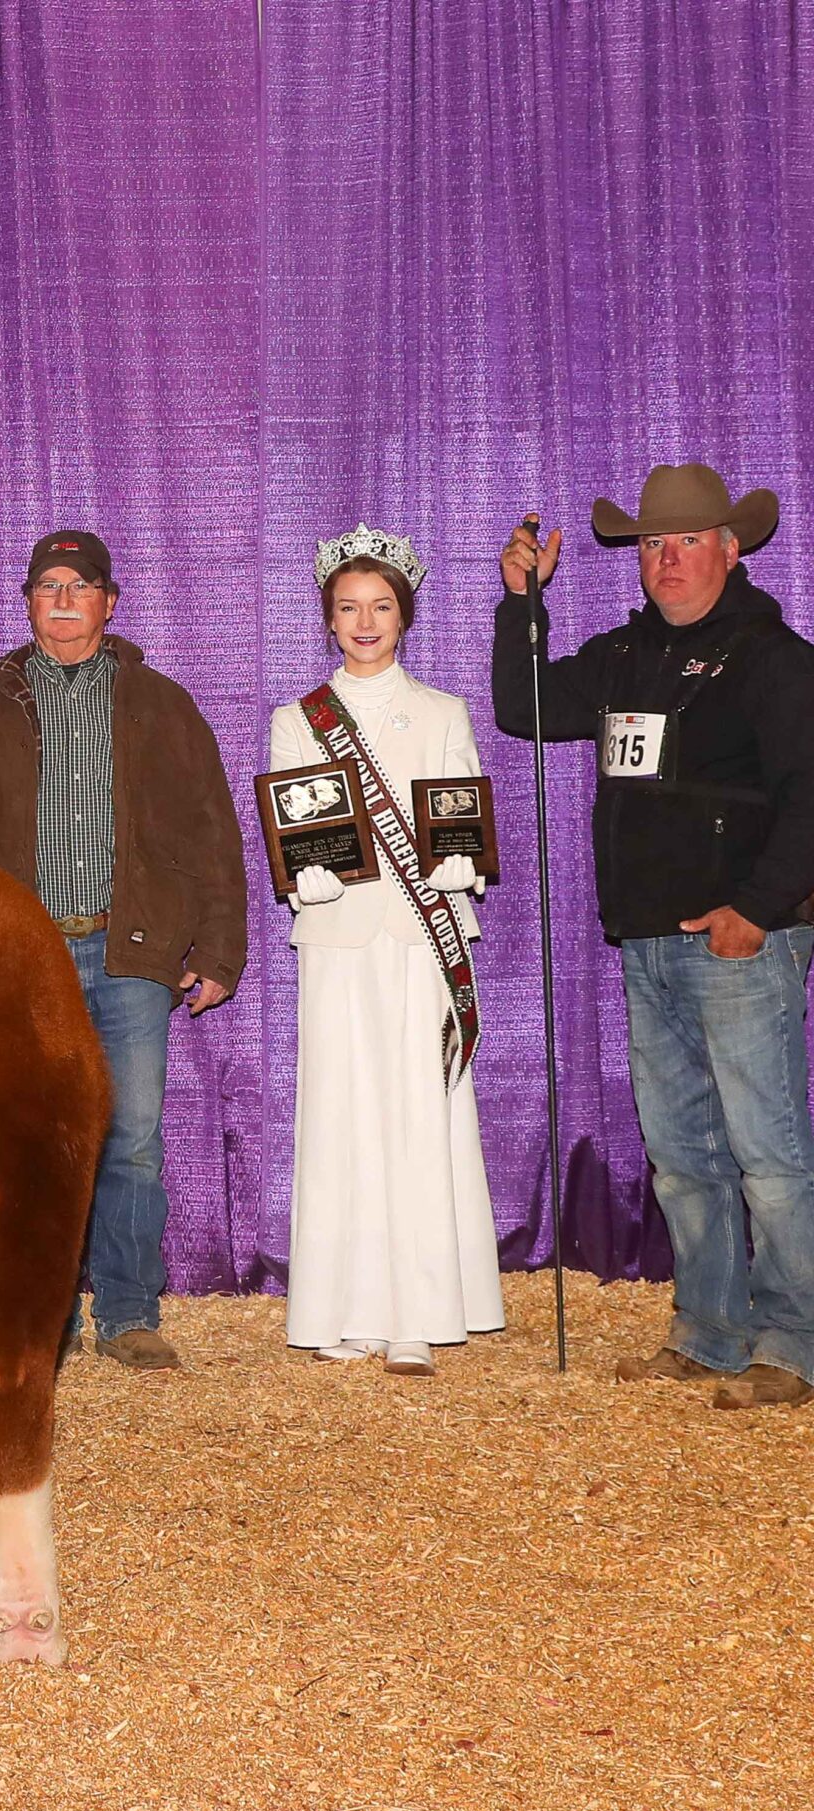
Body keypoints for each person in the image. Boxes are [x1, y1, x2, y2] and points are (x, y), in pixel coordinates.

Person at [494, 463, 814, 1410]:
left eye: (685, 542)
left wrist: (756, 908)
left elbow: (810, 798)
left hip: (741, 943)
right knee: (684, 1157)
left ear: (730, 547)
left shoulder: (773, 658)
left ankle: (794, 1342)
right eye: (650, 545)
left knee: (769, 1156)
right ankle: (712, 1332)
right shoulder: (626, 656)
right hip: (645, 942)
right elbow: (529, 708)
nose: (666, 560)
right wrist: (523, 606)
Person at [0, 530, 247, 1371]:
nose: (62, 599)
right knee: (20, 1141)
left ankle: (129, 1312)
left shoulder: (159, 703)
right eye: (47, 585)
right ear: (27, 601)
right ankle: (34, 1314)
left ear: (110, 600)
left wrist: (218, 948)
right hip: (17, 961)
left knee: (131, 1137)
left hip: (129, 950)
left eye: (80, 584)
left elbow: (213, 827)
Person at [269, 527, 502, 1375]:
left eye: (380, 606)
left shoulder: (443, 712)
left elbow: (465, 823)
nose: (364, 622)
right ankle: (344, 1309)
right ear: (328, 620)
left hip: (420, 942)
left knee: (416, 1112)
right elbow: (297, 830)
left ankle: (418, 1311)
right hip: (338, 940)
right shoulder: (297, 719)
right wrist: (306, 879)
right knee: (341, 1115)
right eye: (347, 608)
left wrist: (461, 861)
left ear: (403, 615)